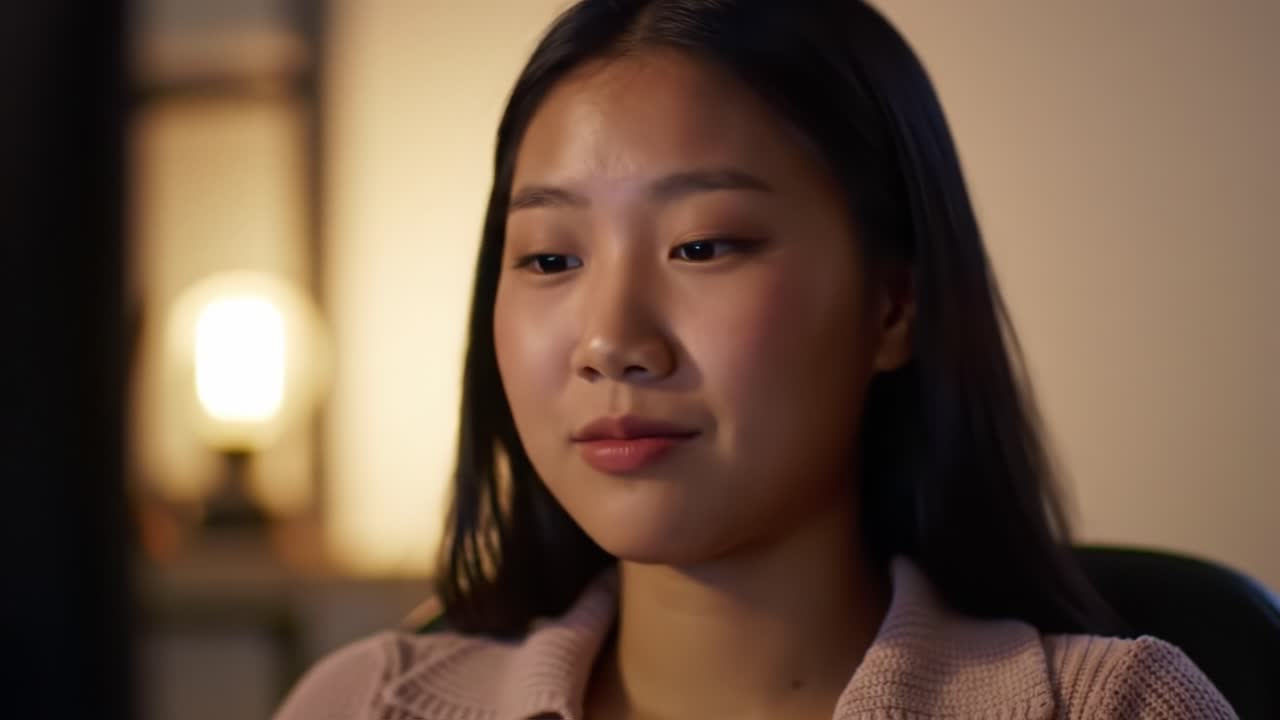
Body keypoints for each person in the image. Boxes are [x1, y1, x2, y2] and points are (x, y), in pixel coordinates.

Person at [275, 1, 1237, 718]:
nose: (612, 341)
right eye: (551, 258)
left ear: (893, 305)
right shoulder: (363, 705)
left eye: (703, 246)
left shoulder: (1115, 707)